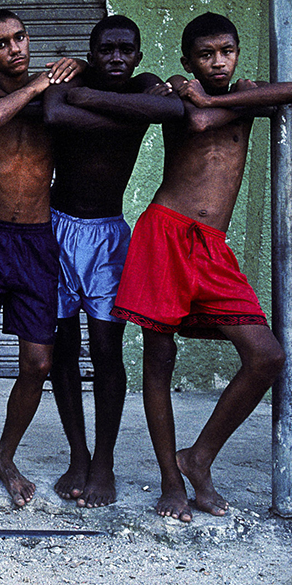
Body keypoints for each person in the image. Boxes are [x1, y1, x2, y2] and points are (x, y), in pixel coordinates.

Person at [110, 12, 285, 522]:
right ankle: (171, 480)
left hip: (211, 247)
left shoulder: (241, 93)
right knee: (158, 359)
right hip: (165, 233)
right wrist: (208, 98)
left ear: (236, 53)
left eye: (225, 52)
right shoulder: (179, 96)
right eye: (205, 55)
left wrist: (229, 95)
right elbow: (203, 121)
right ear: (188, 61)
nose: (217, 62)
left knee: (266, 356)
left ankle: (198, 457)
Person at [42, 15, 184, 508]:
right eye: (106, 50)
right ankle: (78, 454)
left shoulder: (144, 85)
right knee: (62, 348)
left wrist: (93, 96)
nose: (117, 58)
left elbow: (171, 109)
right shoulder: (74, 82)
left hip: (108, 236)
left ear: (140, 56)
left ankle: (104, 463)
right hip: (57, 228)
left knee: (106, 350)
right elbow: (56, 115)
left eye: (126, 50)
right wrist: (128, 111)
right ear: (91, 51)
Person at [0, 9, 81, 505]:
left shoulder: (56, 83)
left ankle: (7, 454)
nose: (15, 49)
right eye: (2, 43)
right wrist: (37, 86)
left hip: (35, 240)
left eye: (20, 38)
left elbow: (91, 78)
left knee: (38, 361)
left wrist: (74, 70)